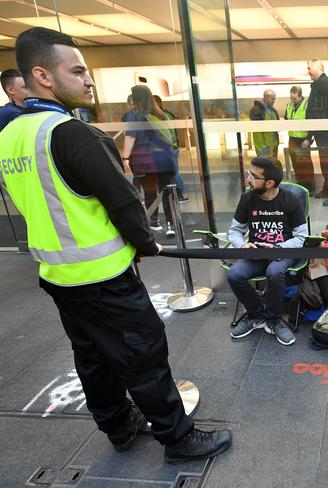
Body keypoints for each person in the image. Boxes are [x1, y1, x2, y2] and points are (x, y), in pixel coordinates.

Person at [0, 27, 231, 463]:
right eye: (78, 70)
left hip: (57, 274)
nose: (89, 80)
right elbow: (125, 203)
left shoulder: (11, 134)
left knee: (92, 357)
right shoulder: (70, 134)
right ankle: (179, 439)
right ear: (43, 76)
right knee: (143, 354)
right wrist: (145, 243)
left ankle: (119, 426)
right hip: (103, 276)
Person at [227, 157, 308, 346]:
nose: (248, 179)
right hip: (255, 252)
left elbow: (301, 238)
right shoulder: (247, 199)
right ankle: (256, 315)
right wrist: (242, 245)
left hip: (282, 251)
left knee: (275, 272)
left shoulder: (290, 200)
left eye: (253, 176)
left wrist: (278, 247)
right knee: (234, 275)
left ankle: (273, 320)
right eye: (249, 173)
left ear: (269, 183)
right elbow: (235, 231)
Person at [122, 84, 177, 237]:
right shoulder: (161, 114)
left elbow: (130, 137)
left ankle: (154, 222)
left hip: (145, 159)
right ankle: (170, 224)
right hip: (164, 159)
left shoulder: (134, 115)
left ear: (136, 98)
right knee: (166, 192)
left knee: (149, 191)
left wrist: (125, 157)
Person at [302, 59, 328, 206]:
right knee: (324, 160)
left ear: (318, 67)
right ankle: (327, 189)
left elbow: (321, 111)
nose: (308, 71)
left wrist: (309, 136)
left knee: (326, 161)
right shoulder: (322, 83)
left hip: (323, 129)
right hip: (322, 129)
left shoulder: (324, 84)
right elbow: (322, 110)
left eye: (309, 67)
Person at [153, 94, 188, 203]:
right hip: (173, 147)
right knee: (175, 172)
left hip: (168, 148)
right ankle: (180, 194)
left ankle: (180, 194)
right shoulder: (167, 114)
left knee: (174, 173)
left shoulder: (160, 116)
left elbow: (166, 133)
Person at [284, 85, 314, 192]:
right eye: (291, 98)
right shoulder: (289, 105)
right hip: (292, 138)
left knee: (306, 165)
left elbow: (312, 124)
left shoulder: (307, 105)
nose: (292, 100)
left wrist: (308, 139)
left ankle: (310, 189)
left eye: (295, 98)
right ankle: (301, 187)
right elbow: (286, 119)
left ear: (300, 96)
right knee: (296, 164)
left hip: (303, 139)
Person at [249, 89, 279, 158]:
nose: (274, 101)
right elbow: (258, 132)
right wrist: (264, 148)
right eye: (272, 99)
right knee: (265, 166)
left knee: (273, 166)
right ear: (265, 98)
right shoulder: (256, 110)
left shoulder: (271, 109)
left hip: (273, 145)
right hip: (264, 146)